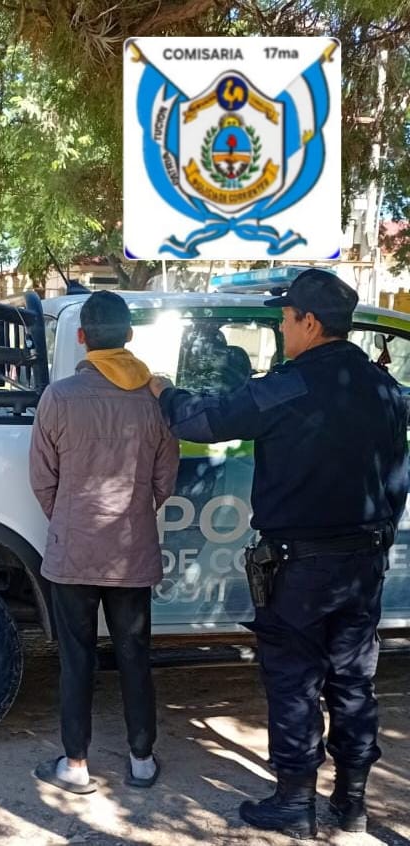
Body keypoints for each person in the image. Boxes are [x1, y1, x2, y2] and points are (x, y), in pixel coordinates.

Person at [150, 268, 408, 838]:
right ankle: (352, 803)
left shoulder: (287, 387)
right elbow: (397, 480)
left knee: (295, 680)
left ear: (309, 323)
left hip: (301, 566)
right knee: (353, 682)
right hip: (363, 563)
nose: (283, 329)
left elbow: (204, 420)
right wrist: (377, 538)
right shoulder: (386, 389)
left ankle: (295, 801)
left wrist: (164, 391)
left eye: (286, 319)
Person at [29, 290, 179, 794]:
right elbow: (164, 480)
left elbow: (42, 479)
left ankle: (75, 765)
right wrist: (133, 513)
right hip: (131, 552)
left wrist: (71, 519)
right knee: (135, 654)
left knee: (77, 659)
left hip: (72, 552)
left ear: (81, 337)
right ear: (130, 336)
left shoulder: (58, 398)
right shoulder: (155, 401)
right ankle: (142, 760)